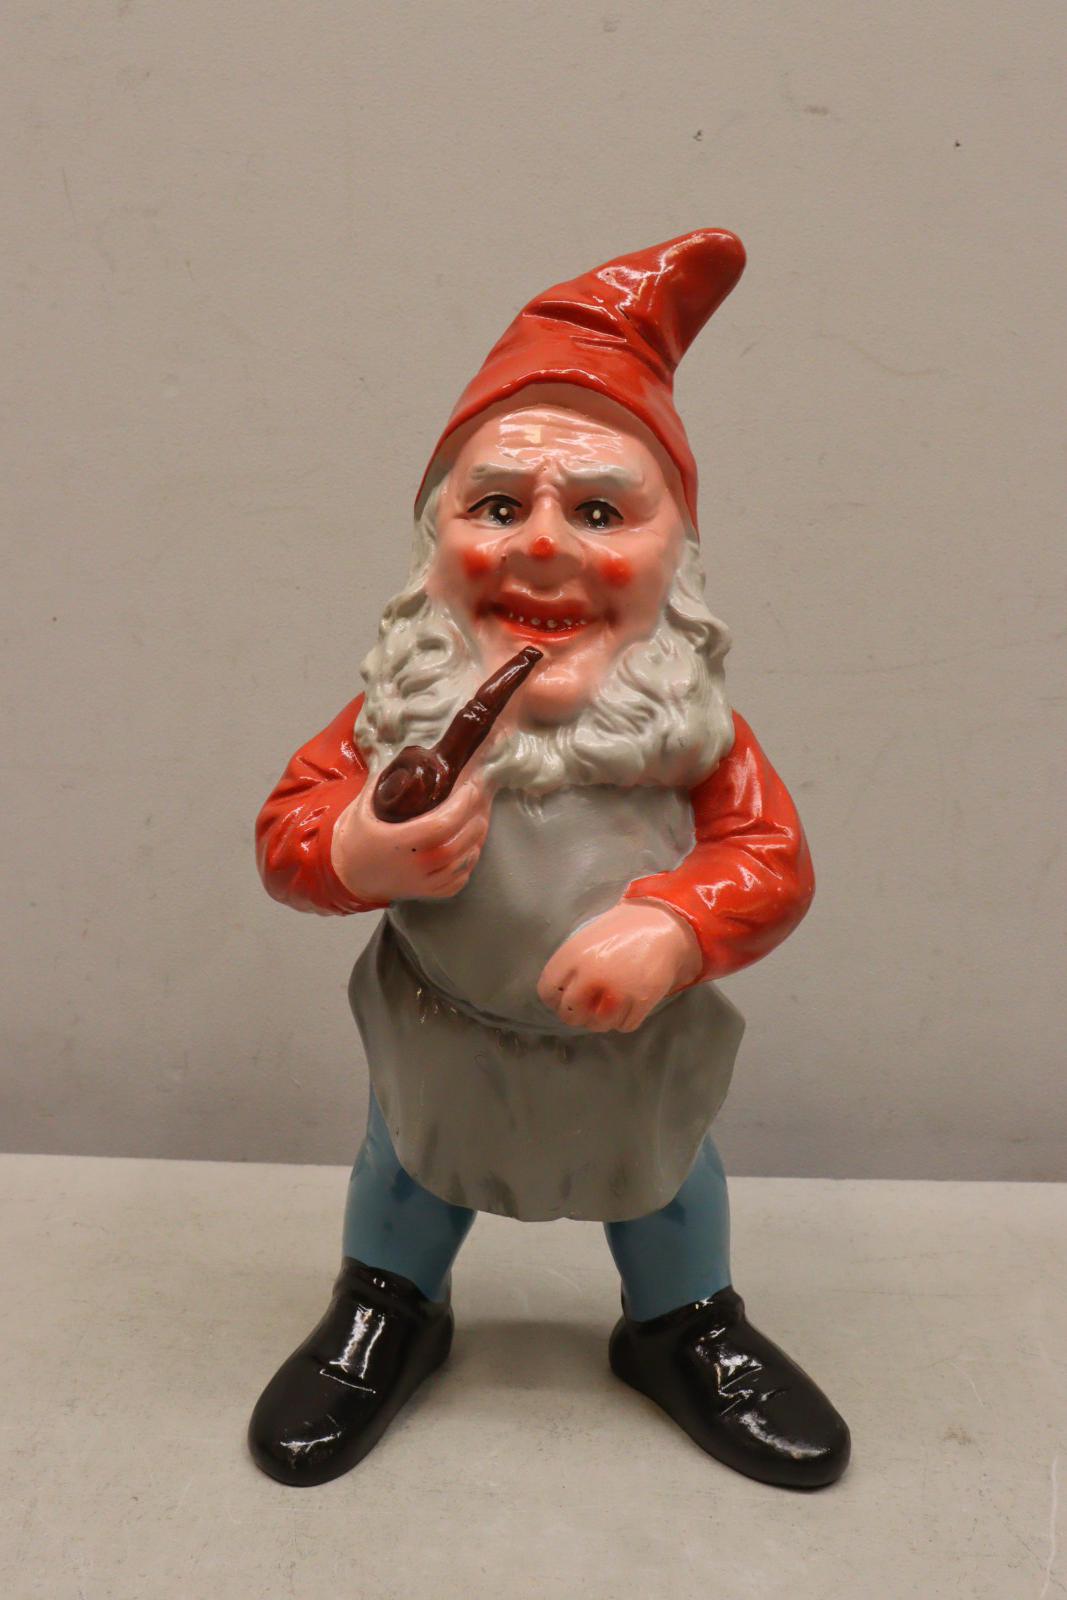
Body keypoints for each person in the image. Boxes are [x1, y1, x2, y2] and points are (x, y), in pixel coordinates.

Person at [247, 232, 850, 1490]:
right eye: (496, 506)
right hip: (444, 1027)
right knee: (406, 1175)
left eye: (598, 512)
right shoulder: (394, 716)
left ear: (676, 553)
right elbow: (289, 831)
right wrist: (358, 848)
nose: (540, 545)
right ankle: (385, 1313)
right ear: (434, 543)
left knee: (667, 1184)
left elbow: (769, 859)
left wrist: (673, 925)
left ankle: (685, 1327)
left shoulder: (688, 731)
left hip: (630, 1044)